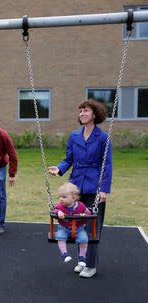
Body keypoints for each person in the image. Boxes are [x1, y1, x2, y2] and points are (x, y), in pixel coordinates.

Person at [48, 99, 112, 278]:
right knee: (77, 224)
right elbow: (69, 159)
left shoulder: (103, 138)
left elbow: (107, 165)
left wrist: (104, 189)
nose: (82, 113)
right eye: (80, 111)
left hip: (94, 186)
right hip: (75, 187)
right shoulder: (74, 136)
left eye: (86, 111)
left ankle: (91, 265)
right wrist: (59, 168)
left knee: (92, 227)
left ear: (94, 115)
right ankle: (82, 261)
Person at [54, 182, 90, 268]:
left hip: (79, 229)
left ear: (73, 198)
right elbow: (54, 211)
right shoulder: (60, 206)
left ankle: (82, 257)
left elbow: (88, 213)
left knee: (84, 239)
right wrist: (58, 212)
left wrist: (84, 215)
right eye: (60, 197)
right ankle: (65, 254)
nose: (61, 199)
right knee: (60, 236)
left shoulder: (81, 206)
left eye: (64, 197)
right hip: (64, 228)